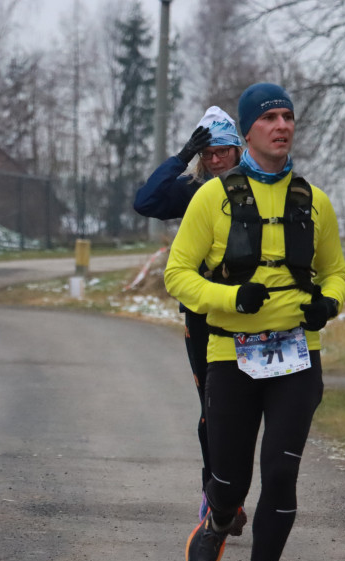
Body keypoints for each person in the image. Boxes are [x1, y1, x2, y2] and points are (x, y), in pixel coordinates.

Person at [164, 82, 345, 561]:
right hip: (231, 356)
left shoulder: (313, 200)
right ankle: (220, 515)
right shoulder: (212, 198)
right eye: (269, 117)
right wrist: (230, 299)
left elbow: (336, 270)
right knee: (229, 477)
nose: (281, 124)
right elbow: (178, 274)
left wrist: (327, 303)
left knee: (282, 474)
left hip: (296, 356)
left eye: (288, 116)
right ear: (247, 132)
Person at [133, 107, 247, 534]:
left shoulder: (255, 188)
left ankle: (237, 489)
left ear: (238, 151)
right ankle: (217, 496)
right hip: (202, 314)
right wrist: (181, 157)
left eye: (223, 152)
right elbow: (145, 202)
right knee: (213, 409)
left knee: (248, 412)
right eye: (208, 154)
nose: (216, 160)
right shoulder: (193, 190)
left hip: (253, 314)